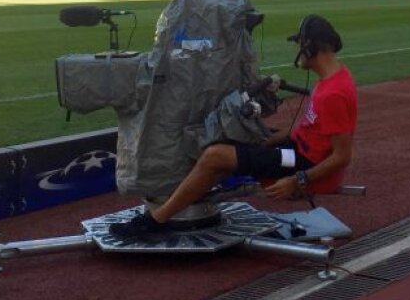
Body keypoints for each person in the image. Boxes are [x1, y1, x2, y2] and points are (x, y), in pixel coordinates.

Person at [110, 14, 358, 240]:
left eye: (299, 44)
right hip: (295, 154)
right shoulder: (329, 82)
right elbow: (309, 131)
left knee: (214, 156)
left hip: (303, 166)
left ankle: (157, 220)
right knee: (232, 138)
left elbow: (341, 157)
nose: (296, 49)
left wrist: (297, 181)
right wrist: (264, 140)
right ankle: (183, 198)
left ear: (310, 46)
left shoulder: (333, 94)